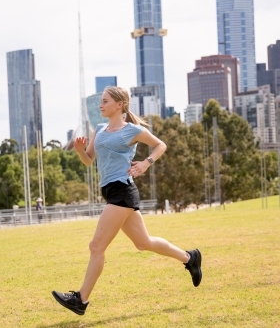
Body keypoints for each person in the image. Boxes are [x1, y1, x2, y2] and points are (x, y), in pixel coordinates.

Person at [52, 86, 202, 316]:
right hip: (111, 193)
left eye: (104, 101)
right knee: (144, 243)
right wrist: (81, 150)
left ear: (119, 105)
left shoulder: (131, 130)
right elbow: (88, 160)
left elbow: (160, 145)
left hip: (122, 191)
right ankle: (190, 258)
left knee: (96, 246)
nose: (100, 105)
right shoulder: (100, 129)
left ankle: (80, 299)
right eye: (101, 101)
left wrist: (146, 163)